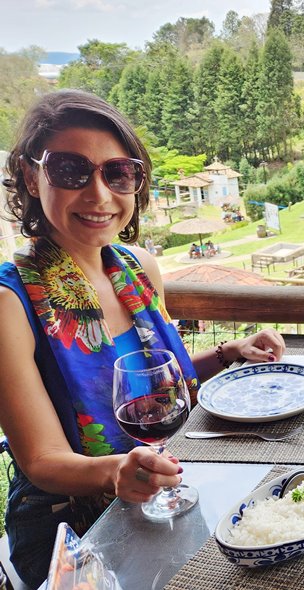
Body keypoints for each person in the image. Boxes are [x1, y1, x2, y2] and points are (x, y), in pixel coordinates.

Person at [0, 89, 286, 587]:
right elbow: (42, 460)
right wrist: (117, 473)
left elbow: (150, 386)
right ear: (30, 174)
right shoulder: (11, 301)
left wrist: (227, 353)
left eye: (118, 172)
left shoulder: (136, 267)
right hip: (70, 527)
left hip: (162, 487)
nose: (98, 195)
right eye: (70, 171)